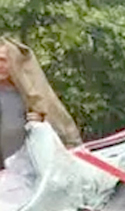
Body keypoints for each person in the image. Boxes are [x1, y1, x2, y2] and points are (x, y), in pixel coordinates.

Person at [0, 38, 81, 167]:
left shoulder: (32, 94)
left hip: (30, 168)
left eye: (3, 60)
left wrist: (41, 122)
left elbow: (59, 126)